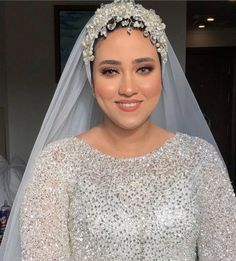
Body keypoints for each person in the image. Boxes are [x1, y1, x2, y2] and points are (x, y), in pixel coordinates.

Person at [0, 0, 236, 260]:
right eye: (110, 71)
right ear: (91, 80)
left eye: (143, 69)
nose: (128, 87)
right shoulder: (57, 165)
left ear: (161, 75)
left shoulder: (200, 160)